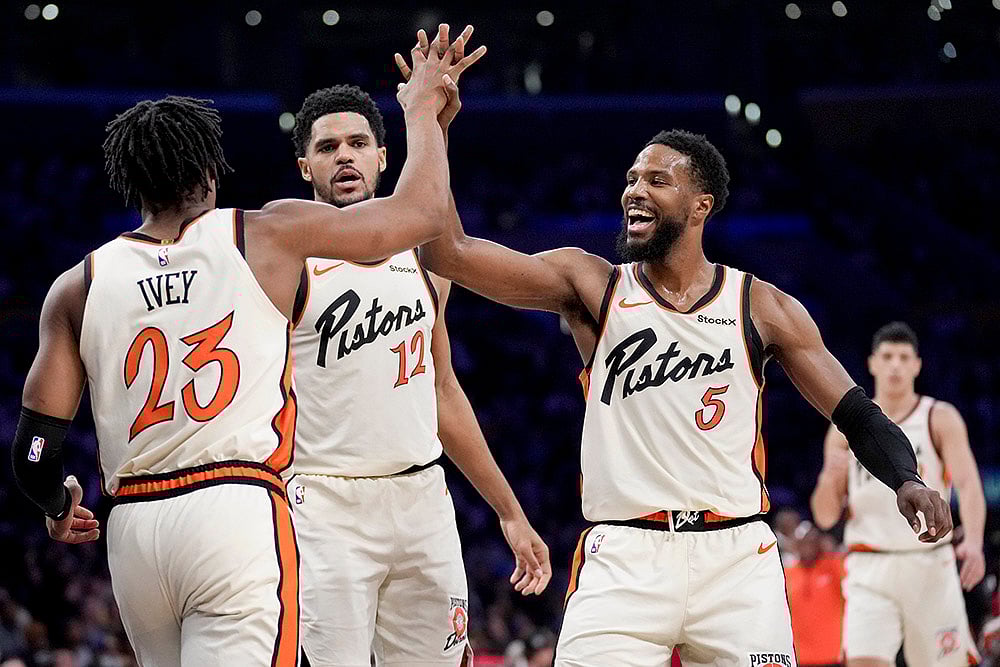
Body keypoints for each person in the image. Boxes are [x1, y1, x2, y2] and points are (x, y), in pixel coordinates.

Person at [389, 58, 954, 662]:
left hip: (736, 561)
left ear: (701, 204)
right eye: (632, 178)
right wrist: (430, 124)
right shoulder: (592, 284)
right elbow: (447, 251)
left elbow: (856, 413)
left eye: (657, 180)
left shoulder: (760, 306)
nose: (634, 189)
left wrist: (907, 477)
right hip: (624, 559)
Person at [10, 26, 458, 666]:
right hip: (234, 507)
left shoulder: (76, 286)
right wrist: (422, 114)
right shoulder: (263, 235)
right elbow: (421, 217)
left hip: (135, 530)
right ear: (210, 169)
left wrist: (59, 505)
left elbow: (32, 455)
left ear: (130, 182)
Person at [287, 26, 550, 666]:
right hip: (323, 504)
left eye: (357, 144)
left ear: (383, 157)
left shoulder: (424, 261)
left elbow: (441, 390)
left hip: (421, 499)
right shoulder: (285, 254)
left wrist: (509, 511)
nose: (344, 156)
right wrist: (423, 117)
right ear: (306, 168)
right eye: (327, 148)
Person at [811, 321, 985, 666]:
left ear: (917, 365)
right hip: (868, 565)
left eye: (904, 357)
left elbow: (967, 484)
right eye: (887, 356)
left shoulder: (939, 417)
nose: (895, 365)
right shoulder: (844, 429)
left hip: (929, 563)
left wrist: (975, 542)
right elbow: (825, 516)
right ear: (872, 363)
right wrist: (831, 479)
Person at [783, 523, 845, 667]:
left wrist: (831, 550)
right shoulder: (786, 574)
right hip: (799, 658)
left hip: (833, 658)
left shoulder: (834, 567)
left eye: (812, 541)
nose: (808, 546)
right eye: (804, 541)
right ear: (796, 544)